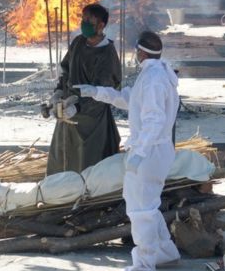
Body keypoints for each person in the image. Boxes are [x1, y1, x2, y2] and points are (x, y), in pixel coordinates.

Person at [74, 31, 180, 271]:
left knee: (139, 208)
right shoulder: (156, 74)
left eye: (136, 51)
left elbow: (153, 120)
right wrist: (95, 91)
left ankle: (144, 263)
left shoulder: (153, 78)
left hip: (149, 151)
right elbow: (130, 99)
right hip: (156, 150)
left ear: (141, 52)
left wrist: (139, 154)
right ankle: (165, 253)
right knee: (149, 205)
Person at [45, 3, 122, 175]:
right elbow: (66, 69)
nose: (84, 23)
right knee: (62, 160)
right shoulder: (78, 43)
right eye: (83, 19)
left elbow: (104, 91)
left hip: (93, 121)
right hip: (68, 114)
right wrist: (59, 92)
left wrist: (78, 107)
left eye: (89, 20)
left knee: (89, 166)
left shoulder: (107, 54)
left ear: (101, 25)